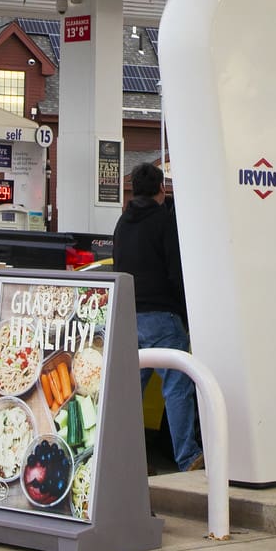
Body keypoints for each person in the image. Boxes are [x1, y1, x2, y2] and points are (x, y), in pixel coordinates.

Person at [114, 161, 201, 471]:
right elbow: (176, 272)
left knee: (128, 391)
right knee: (177, 387)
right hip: (163, 317)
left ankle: (122, 459)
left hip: (129, 316)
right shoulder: (164, 223)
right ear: (161, 190)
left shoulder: (122, 224)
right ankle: (188, 457)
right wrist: (187, 313)